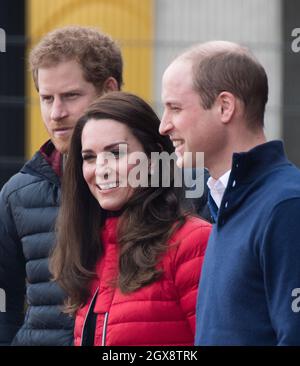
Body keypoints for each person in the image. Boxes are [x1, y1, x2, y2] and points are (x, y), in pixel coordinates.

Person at [160, 40, 300, 345]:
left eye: (175, 108)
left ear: (225, 106)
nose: (163, 126)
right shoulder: (228, 200)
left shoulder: (286, 205)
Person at [50, 91, 211, 346]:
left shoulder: (193, 241)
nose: (101, 169)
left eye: (116, 153)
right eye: (89, 157)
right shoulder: (90, 247)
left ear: (153, 159)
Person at [0, 25, 122, 346]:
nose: (56, 113)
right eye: (46, 98)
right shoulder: (18, 194)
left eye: (70, 96)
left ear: (109, 90)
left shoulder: (155, 183)